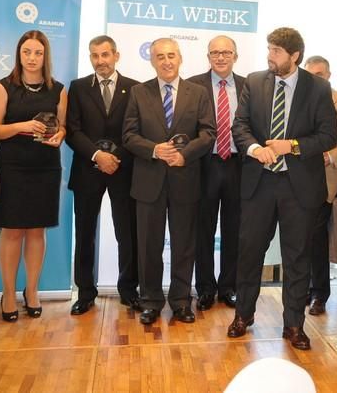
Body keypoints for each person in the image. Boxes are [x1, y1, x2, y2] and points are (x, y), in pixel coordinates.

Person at [227, 27, 336, 351]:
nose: (269, 56)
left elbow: (328, 135)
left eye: (276, 51)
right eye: (269, 49)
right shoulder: (255, 81)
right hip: (259, 182)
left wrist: (293, 145)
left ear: (294, 56)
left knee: (297, 257)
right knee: (249, 253)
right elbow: (240, 125)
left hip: (298, 186)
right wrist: (254, 149)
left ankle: (293, 324)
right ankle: (243, 315)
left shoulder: (318, 88)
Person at [122, 38, 215, 325]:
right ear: (152, 61)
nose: (166, 61)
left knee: (184, 245)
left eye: (171, 55)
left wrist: (184, 156)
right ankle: (150, 301)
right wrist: (154, 150)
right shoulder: (138, 92)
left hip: (185, 180)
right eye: (160, 56)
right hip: (148, 182)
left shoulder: (198, 93)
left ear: (180, 58)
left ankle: (180, 301)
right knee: (148, 246)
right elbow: (128, 135)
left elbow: (208, 133)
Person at [0, 30, 67, 322]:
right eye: (27, 52)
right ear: (19, 54)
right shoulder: (3, 87)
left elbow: (63, 127)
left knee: (37, 231)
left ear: (46, 56)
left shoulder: (58, 89)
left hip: (45, 166)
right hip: (12, 168)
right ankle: (8, 293)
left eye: (38, 53)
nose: (32, 58)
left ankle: (31, 291)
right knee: (12, 231)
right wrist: (22, 126)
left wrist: (59, 135)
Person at [66, 35, 140, 315]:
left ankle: (129, 289)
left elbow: (135, 129)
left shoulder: (134, 88)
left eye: (105, 55)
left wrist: (115, 157)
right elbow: (72, 130)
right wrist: (98, 156)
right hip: (88, 169)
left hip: (124, 170)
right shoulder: (78, 88)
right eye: (95, 56)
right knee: (85, 233)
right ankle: (85, 292)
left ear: (116, 56)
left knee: (127, 232)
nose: (101, 61)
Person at [188, 35, 246, 311]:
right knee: (203, 230)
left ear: (236, 56)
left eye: (226, 52)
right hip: (205, 164)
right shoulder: (193, 86)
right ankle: (205, 289)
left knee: (234, 229)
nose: (220, 57)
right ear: (208, 56)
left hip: (238, 164)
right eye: (215, 53)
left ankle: (228, 287)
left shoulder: (250, 86)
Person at [303, 55, 337, 316]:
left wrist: (330, 156)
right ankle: (305, 290)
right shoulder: (300, 102)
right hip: (302, 178)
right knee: (304, 238)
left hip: (331, 179)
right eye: (310, 75)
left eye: (319, 74)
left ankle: (319, 293)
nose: (315, 79)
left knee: (318, 238)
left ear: (328, 76)